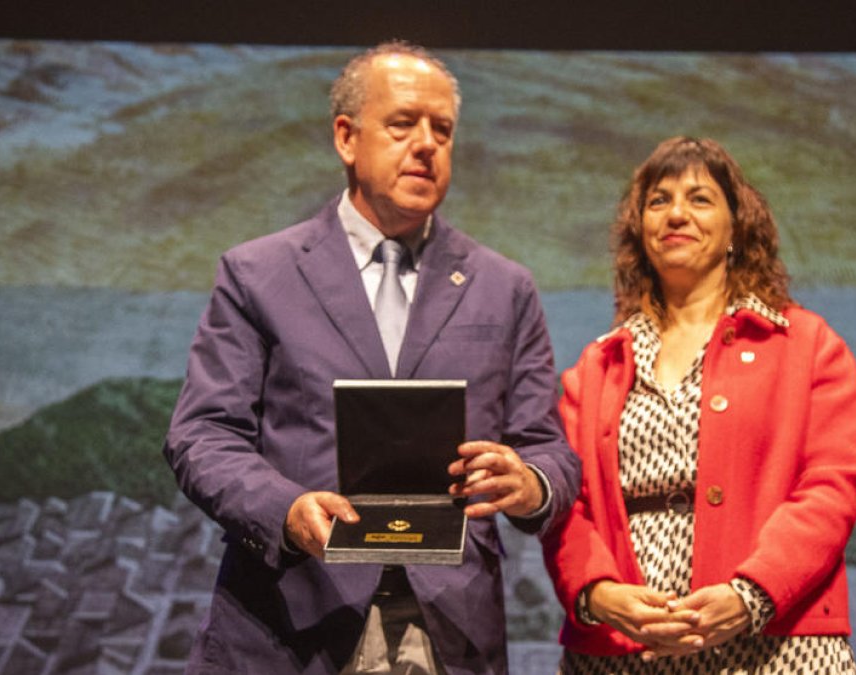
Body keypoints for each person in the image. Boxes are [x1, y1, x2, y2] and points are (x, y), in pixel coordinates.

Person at [163, 42, 580, 675]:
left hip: (449, 626)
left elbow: (546, 448)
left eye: (442, 130)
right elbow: (203, 434)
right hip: (292, 619)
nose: (427, 144)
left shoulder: (505, 286)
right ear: (346, 138)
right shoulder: (257, 274)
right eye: (403, 123)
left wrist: (530, 482)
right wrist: (288, 511)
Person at [542, 136, 856, 674]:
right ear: (639, 231)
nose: (676, 214)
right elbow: (566, 507)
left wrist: (749, 596)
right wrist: (598, 595)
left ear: (736, 225)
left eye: (699, 199)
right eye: (658, 200)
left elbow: (830, 488)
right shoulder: (596, 367)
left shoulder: (808, 345)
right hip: (625, 649)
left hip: (774, 641)